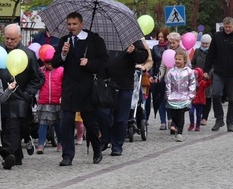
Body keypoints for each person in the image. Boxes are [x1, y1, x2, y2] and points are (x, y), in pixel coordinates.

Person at [52, 12, 109, 166]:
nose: (71, 27)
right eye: (69, 24)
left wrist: (89, 63)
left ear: (81, 24)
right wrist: (63, 54)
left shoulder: (93, 39)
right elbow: (55, 62)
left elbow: (104, 61)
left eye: (74, 24)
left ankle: (97, 150)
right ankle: (68, 155)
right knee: (67, 121)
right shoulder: (65, 40)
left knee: (90, 122)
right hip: (70, 86)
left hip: (87, 87)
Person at [0, 23, 44, 169]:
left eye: (13, 39)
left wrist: (27, 94)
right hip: (1, 97)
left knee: (13, 127)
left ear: (20, 37)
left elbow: (38, 78)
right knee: (5, 127)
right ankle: (17, 156)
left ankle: (8, 155)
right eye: (7, 38)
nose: (9, 41)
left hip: (19, 98)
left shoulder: (28, 54)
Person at [97, 39, 148, 156]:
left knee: (121, 117)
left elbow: (143, 57)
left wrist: (134, 51)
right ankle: (105, 139)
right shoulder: (101, 37)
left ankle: (117, 145)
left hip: (124, 85)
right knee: (102, 113)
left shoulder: (132, 39)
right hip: (105, 84)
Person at [203, 17, 233, 132]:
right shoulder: (217, 37)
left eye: (229, 27)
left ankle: (230, 122)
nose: (227, 29)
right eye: (225, 27)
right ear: (223, 26)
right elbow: (211, 54)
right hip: (218, 72)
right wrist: (206, 70)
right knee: (216, 94)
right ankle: (219, 119)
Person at [33, 52, 63, 154]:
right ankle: (41, 144)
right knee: (43, 122)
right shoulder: (41, 71)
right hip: (44, 101)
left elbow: (63, 84)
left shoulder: (60, 70)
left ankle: (60, 141)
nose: (49, 65)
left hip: (57, 101)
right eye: (47, 63)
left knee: (57, 122)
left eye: (51, 63)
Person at [165, 49, 196, 142]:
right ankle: (176, 126)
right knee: (174, 115)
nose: (177, 61)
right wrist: (168, 94)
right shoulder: (171, 72)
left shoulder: (189, 71)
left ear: (184, 60)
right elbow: (168, 83)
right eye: (176, 59)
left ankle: (180, 133)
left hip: (184, 96)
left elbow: (192, 83)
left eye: (180, 59)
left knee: (180, 115)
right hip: (173, 97)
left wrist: (191, 95)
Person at [149, 27, 170, 128]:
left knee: (168, 99)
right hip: (158, 75)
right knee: (159, 99)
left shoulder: (170, 47)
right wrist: (152, 75)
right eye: (159, 36)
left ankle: (170, 119)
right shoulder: (155, 48)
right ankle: (163, 121)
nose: (160, 38)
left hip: (169, 75)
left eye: (162, 36)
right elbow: (153, 63)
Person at [190, 34, 212, 125]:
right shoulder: (197, 51)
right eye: (203, 43)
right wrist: (194, 72)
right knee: (198, 97)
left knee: (207, 97)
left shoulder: (212, 52)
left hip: (208, 78)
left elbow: (214, 64)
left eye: (206, 44)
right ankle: (197, 116)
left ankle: (204, 117)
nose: (204, 45)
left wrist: (209, 74)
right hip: (197, 78)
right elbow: (193, 62)